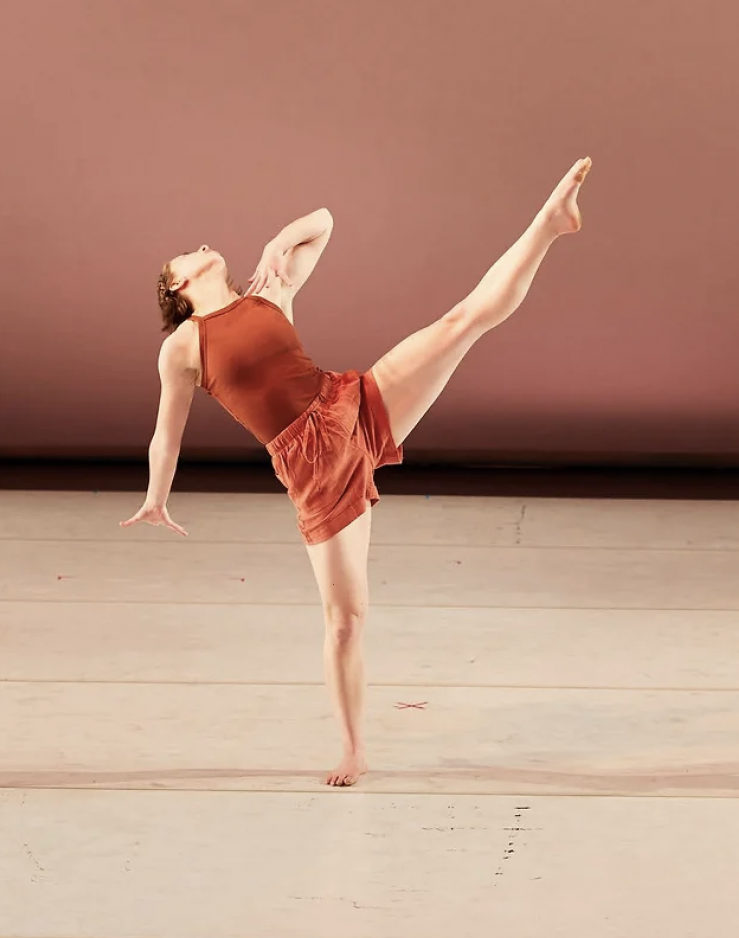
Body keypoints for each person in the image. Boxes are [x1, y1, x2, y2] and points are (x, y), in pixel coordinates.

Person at [122, 157, 593, 785]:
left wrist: (282, 238)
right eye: (186, 253)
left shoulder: (270, 291)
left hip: (350, 404)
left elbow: (324, 222)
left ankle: (547, 223)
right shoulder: (182, 347)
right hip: (312, 468)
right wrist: (156, 498)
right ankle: (353, 748)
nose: (202, 246)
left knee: (461, 322)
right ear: (177, 286)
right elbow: (166, 432)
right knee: (346, 621)